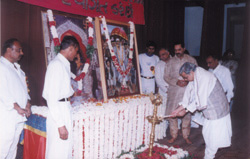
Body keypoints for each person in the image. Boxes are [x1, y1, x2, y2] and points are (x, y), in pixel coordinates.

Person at [171, 62, 232, 159]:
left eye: (185, 77)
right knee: (208, 137)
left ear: (191, 72)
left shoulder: (204, 77)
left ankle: (209, 157)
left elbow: (199, 102)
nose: (185, 80)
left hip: (217, 113)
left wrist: (185, 110)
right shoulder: (196, 74)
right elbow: (189, 94)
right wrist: (179, 108)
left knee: (213, 141)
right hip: (210, 113)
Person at [42, 36, 79, 159]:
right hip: (58, 110)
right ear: (70, 48)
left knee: (64, 150)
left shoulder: (63, 64)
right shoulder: (57, 65)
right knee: (57, 152)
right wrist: (60, 124)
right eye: (76, 51)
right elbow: (52, 98)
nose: (76, 55)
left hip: (63, 107)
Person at [0, 38, 31, 158]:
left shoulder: (18, 68)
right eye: (19, 50)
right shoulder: (1, 67)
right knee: (3, 147)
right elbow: (2, 91)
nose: (21, 53)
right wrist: (17, 107)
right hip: (6, 115)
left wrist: (27, 104)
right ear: (9, 50)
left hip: (18, 115)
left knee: (13, 148)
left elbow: (24, 89)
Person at [164, 41, 197, 144]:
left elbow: (197, 74)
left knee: (186, 114)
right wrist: (176, 82)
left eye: (179, 50)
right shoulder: (170, 62)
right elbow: (166, 76)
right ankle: (173, 135)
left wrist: (188, 81)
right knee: (172, 114)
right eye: (175, 50)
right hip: (174, 91)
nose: (177, 52)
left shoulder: (191, 60)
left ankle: (186, 136)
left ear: (183, 48)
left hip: (187, 91)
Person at [155, 48, 171, 138]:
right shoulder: (159, 65)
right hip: (164, 91)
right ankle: (163, 130)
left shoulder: (174, 61)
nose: (161, 57)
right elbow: (158, 80)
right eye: (160, 55)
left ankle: (176, 129)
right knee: (164, 110)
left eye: (163, 54)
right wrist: (167, 89)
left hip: (175, 90)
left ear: (168, 53)